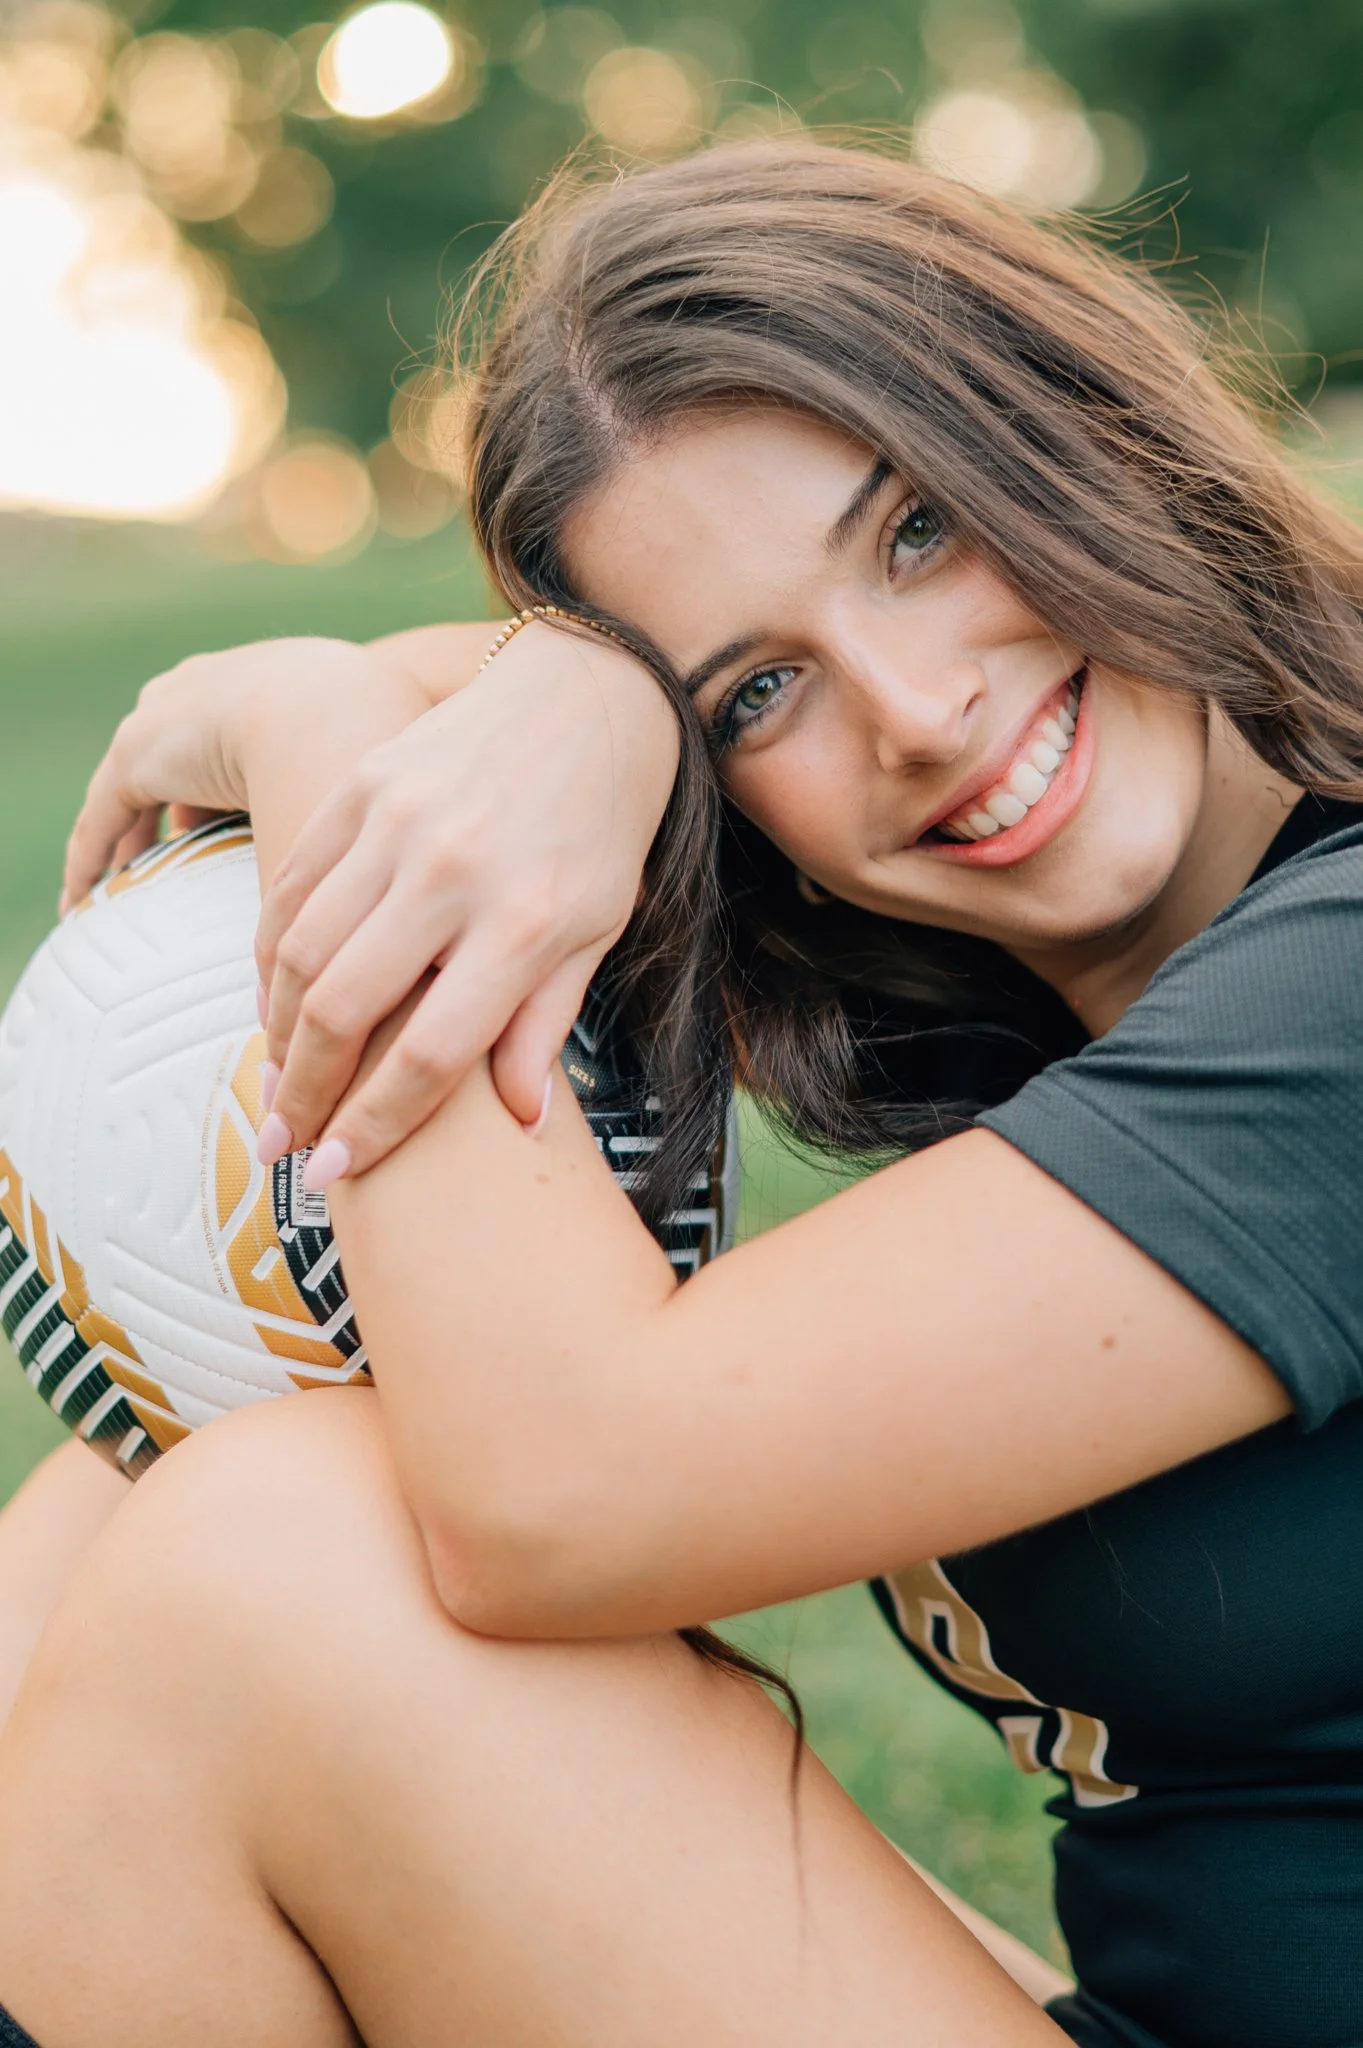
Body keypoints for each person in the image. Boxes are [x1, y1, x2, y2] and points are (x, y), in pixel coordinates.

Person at [1, 135, 1362, 2048]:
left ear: (1075, 422)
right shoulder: (984, 981)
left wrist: (317, 730)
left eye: (914, 531)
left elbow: (564, 1493)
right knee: (98, 1529)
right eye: (758, 694)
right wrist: (587, 698)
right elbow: (502, 749)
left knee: (272, 1566)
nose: (912, 710)